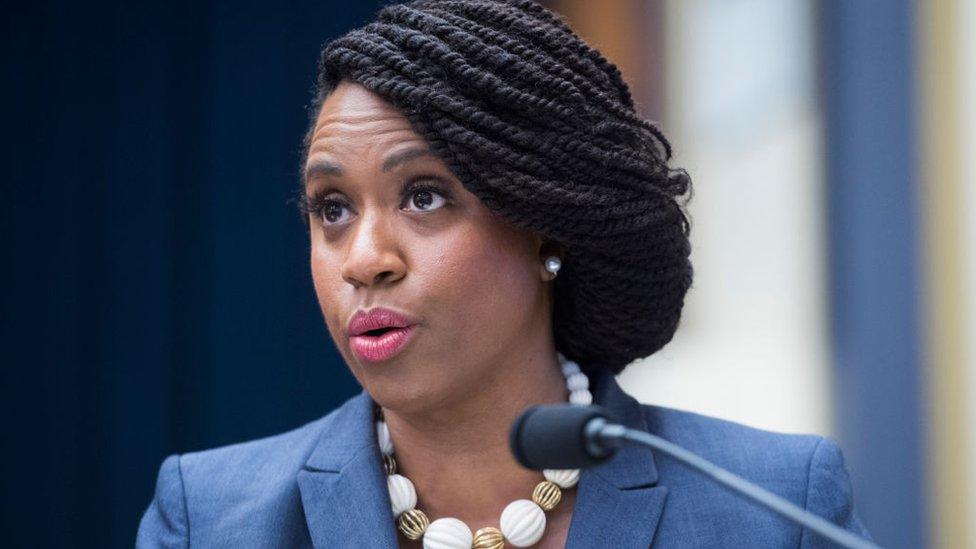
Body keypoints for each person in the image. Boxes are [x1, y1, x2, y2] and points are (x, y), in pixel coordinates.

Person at [137, 0, 872, 547]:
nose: (363, 258)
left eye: (424, 196)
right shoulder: (213, 517)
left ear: (545, 223)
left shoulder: (772, 508)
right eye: (332, 208)